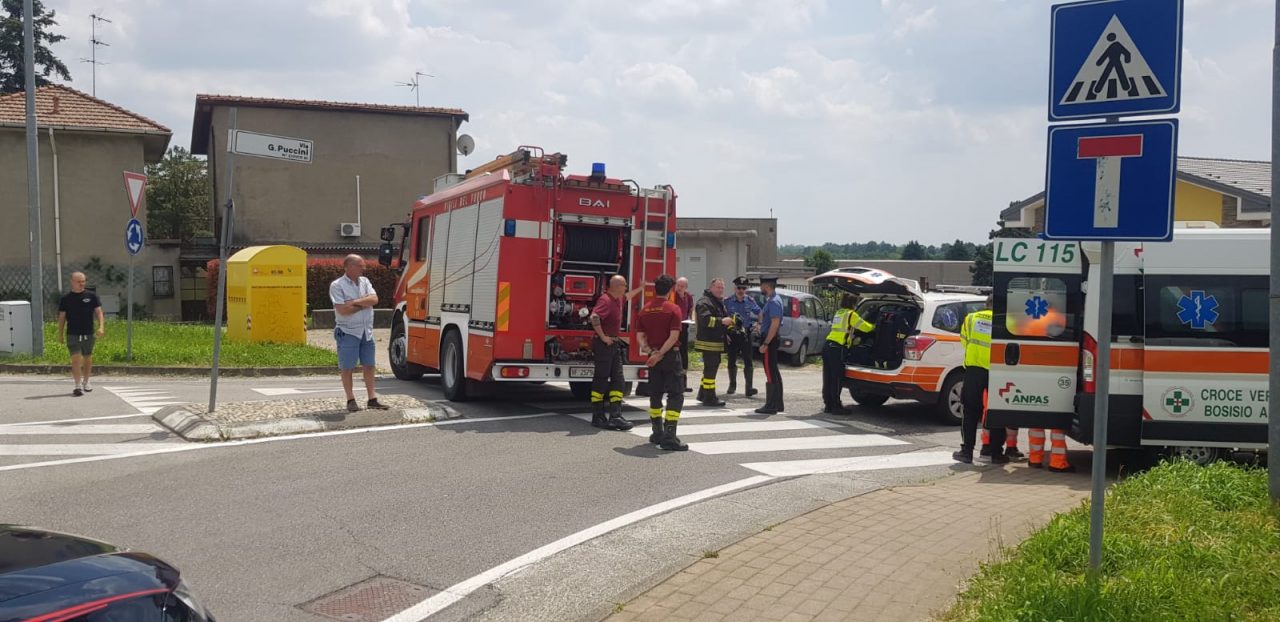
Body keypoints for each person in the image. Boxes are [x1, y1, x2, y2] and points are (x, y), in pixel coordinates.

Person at [330, 254, 389, 413]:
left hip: (366, 331)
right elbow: (342, 310)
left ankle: (372, 398)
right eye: (360, 265)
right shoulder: (337, 285)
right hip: (348, 331)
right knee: (347, 367)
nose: (364, 268)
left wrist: (354, 302)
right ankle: (350, 399)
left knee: (369, 365)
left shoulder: (365, 281)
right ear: (348, 267)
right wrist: (364, 303)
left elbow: (375, 299)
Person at [636, 274, 687, 451]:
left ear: (654, 289)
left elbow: (640, 337)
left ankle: (656, 432)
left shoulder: (644, 310)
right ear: (671, 290)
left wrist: (651, 352)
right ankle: (670, 436)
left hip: (653, 357)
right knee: (675, 395)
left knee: (655, 394)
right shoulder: (673, 309)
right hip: (670, 357)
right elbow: (674, 337)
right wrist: (660, 353)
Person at [954, 297, 1006, 464]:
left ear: (986, 305)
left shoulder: (971, 318)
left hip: (974, 370)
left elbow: (964, 340)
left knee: (970, 411)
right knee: (997, 411)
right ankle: (997, 453)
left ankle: (967, 452)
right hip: (997, 371)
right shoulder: (1004, 321)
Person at [589, 274, 644, 430]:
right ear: (616, 286)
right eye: (624, 285)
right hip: (604, 344)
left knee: (618, 380)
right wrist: (603, 337)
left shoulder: (618, 299)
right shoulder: (605, 300)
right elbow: (594, 317)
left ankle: (615, 416)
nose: (626, 287)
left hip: (613, 344)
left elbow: (628, 296)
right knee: (601, 379)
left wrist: (640, 288)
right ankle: (598, 416)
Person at [822, 293, 874, 414]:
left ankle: (828, 405)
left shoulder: (839, 312)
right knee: (837, 378)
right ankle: (836, 406)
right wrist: (875, 326)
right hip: (837, 348)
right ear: (853, 303)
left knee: (828, 377)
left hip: (828, 345)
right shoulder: (851, 315)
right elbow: (865, 327)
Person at [57, 272, 105, 397]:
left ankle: (87, 381)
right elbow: (62, 317)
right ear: (72, 282)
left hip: (88, 332)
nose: (82, 284)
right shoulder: (66, 299)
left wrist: (101, 327)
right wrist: (60, 334)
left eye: (83, 281)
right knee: (75, 359)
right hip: (72, 333)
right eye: (79, 281)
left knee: (87, 357)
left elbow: (99, 312)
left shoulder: (92, 296)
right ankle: (77, 385)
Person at [694, 278, 736, 407]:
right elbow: (706, 321)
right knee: (711, 370)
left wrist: (726, 332)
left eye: (722, 287)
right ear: (711, 287)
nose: (721, 290)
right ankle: (710, 397)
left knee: (710, 368)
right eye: (718, 287)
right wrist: (722, 321)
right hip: (708, 342)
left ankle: (702, 394)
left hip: (716, 341)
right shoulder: (704, 302)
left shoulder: (716, 301)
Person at [723, 276, 761, 397]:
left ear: (746, 289)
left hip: (745, 334)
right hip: (732, 334)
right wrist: (725, 333)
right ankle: (732, 385)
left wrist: (758, 324)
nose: (741, 290)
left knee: (748, 361)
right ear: (735, 288)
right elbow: (722, 317)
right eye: (739, 288)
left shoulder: (750, 301)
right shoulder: (727, 301)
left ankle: (749, 387)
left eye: (743, 288)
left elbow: (760, 312)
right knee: (731, 360)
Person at [755, 276, 786, 415]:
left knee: (770, 371)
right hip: (771, 338)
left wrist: (766, 343)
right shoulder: (774, 299)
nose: (761, 288)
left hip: (770, 340)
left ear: (766, 286)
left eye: (761, 286)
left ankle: (771, 405)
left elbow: (775, 323)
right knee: (774, 370)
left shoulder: (773, 301)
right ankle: (778, 404)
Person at [673, 277, 695, 393]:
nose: (679, 288)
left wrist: (692, 318)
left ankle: (683, 383)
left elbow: (691, 309)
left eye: (682, 286)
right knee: (673, 354)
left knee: (684, 355)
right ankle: (672, 383)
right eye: (678, 285)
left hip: (684, 327)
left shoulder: (688, 296)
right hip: (674, 328)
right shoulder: (672, 295)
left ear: (686, 287)